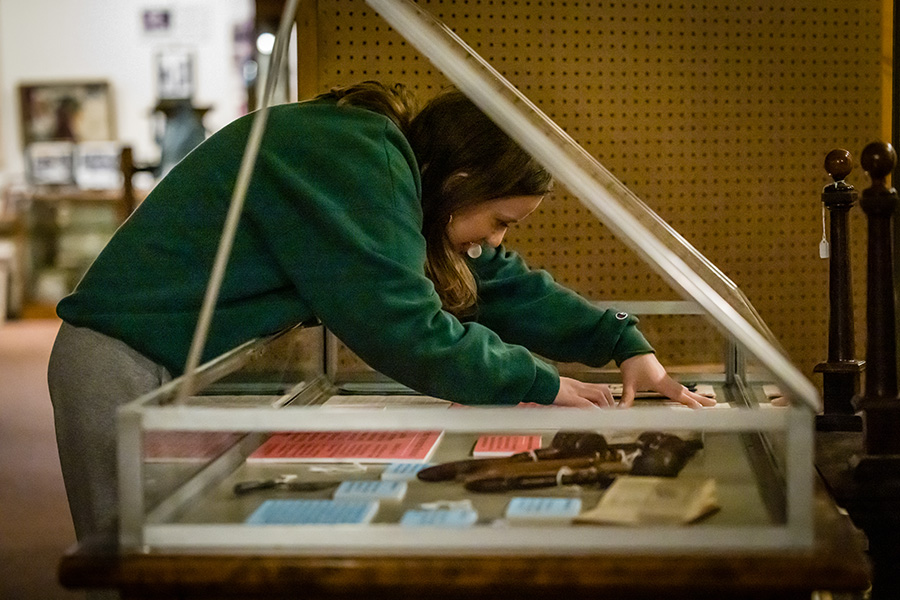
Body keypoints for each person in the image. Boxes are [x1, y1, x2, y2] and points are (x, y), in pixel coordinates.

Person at [48, 81, 714, 548]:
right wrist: (548, 385)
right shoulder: (362, 155)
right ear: (461, 182)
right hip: (124, 362)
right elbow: (408, 331)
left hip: (194, 370)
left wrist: (625, 345)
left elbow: (505, 286)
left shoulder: (393, 172)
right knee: (135, 566)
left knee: (192, 553)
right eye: (501, 220)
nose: (496, 240)